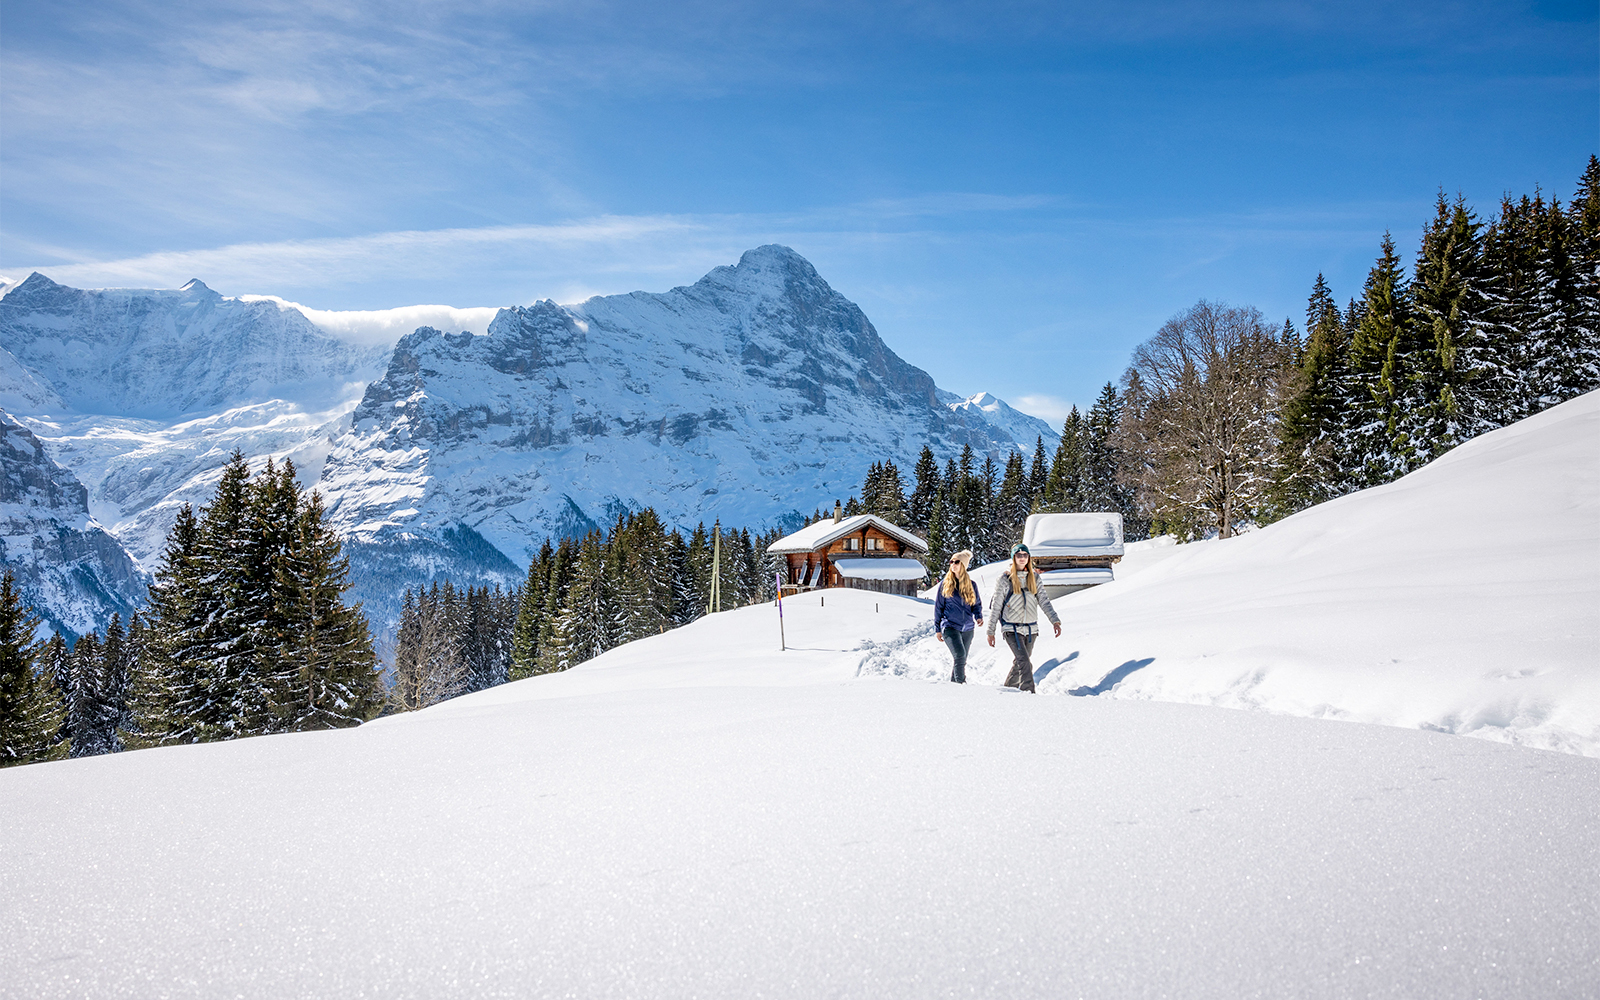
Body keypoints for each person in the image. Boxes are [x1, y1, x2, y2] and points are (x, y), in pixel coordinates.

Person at [986, 543, 1060, 693]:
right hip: (1011, 628)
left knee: (1020, 663)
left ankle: (1007, 691)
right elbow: (996, 606)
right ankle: (1029, 693)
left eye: (1025, 555)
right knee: (1024, 662)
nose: (1022, 558)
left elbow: (1044, 601)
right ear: (1013, 557)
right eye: (1019, 555)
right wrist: (990, 631)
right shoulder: (1005, 579)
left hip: (1031, 629)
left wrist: (1055, 621)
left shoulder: (1034, 578)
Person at [933, 549, 983, 683]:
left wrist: (978, 616)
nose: (953, 564)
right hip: (950, 626)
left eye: (956, 562)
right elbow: (938, 607)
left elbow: (976, 604)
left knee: (960, 660)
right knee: (960, 656)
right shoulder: (945, 584)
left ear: (964, 565)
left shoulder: (972, 585)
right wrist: (937, 629)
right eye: (951, 561)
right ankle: (962, 685)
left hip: (968, 628)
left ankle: (954, 687)